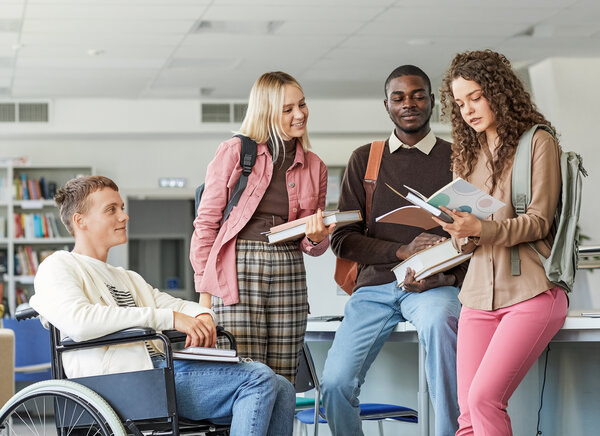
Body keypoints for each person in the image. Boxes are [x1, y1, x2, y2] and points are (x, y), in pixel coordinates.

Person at [30, 176, 296, 436]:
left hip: (157, 372)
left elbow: (175, 305)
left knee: (282, 387)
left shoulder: (127, 277)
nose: (124, 216)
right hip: (120, 381)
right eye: (111, 209)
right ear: (80, 221)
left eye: (121, 208)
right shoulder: (58, 265)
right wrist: (170, 318)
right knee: (258, 378)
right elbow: (80, 321)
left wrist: (202, 316)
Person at [321, 65, 466, 436]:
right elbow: (343, 239)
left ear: (432, 101)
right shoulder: (364, 160)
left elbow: (477, 237)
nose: (409, 104)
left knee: (442, 330)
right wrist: (402, 250)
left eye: (418, 95)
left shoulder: (459, 159)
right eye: (398, 97)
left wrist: (446, 276)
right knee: (335, 385)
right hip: (374, 289)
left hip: (435, 288)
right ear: (386, 105)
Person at [437, 50, 567, 436]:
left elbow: (540, 222)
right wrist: (457, 230)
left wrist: (480, 229)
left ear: (499, 92)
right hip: (477, 297)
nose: (468, 110)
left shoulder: (538, 143)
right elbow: (471, 238)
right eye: (460, 103)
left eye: (476, 97)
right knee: (467, 418)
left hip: (531, 293)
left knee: (484, 400)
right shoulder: (467, 153)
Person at [190, 71, 333, 383]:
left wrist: (318, 237)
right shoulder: (235, 152)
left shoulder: (315, 166)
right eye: (287, 109)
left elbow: (311, 245)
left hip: (289, 267)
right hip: (239, 264)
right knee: (246, 376)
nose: (300, 114)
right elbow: (207, 224)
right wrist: (205, 292)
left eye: (302, 105)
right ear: (266, 111)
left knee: (283, 380)